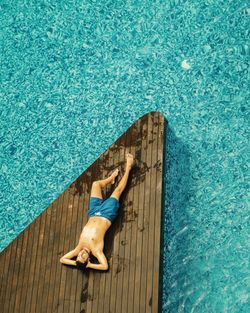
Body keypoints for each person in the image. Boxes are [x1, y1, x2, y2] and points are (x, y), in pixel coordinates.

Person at [60, 153, 134, 270]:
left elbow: (63, 259)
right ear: (88, 259)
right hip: (106, 214)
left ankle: (110, 179)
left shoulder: (78, 248)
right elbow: (105, 266)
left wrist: (78, 262)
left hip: (94, 212)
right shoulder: (96, 251)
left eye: (78, 256)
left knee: (96, 184)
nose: (80, 254)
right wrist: (89, 265)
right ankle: (129, 167)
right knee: (118, 190)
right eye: (83, 257)